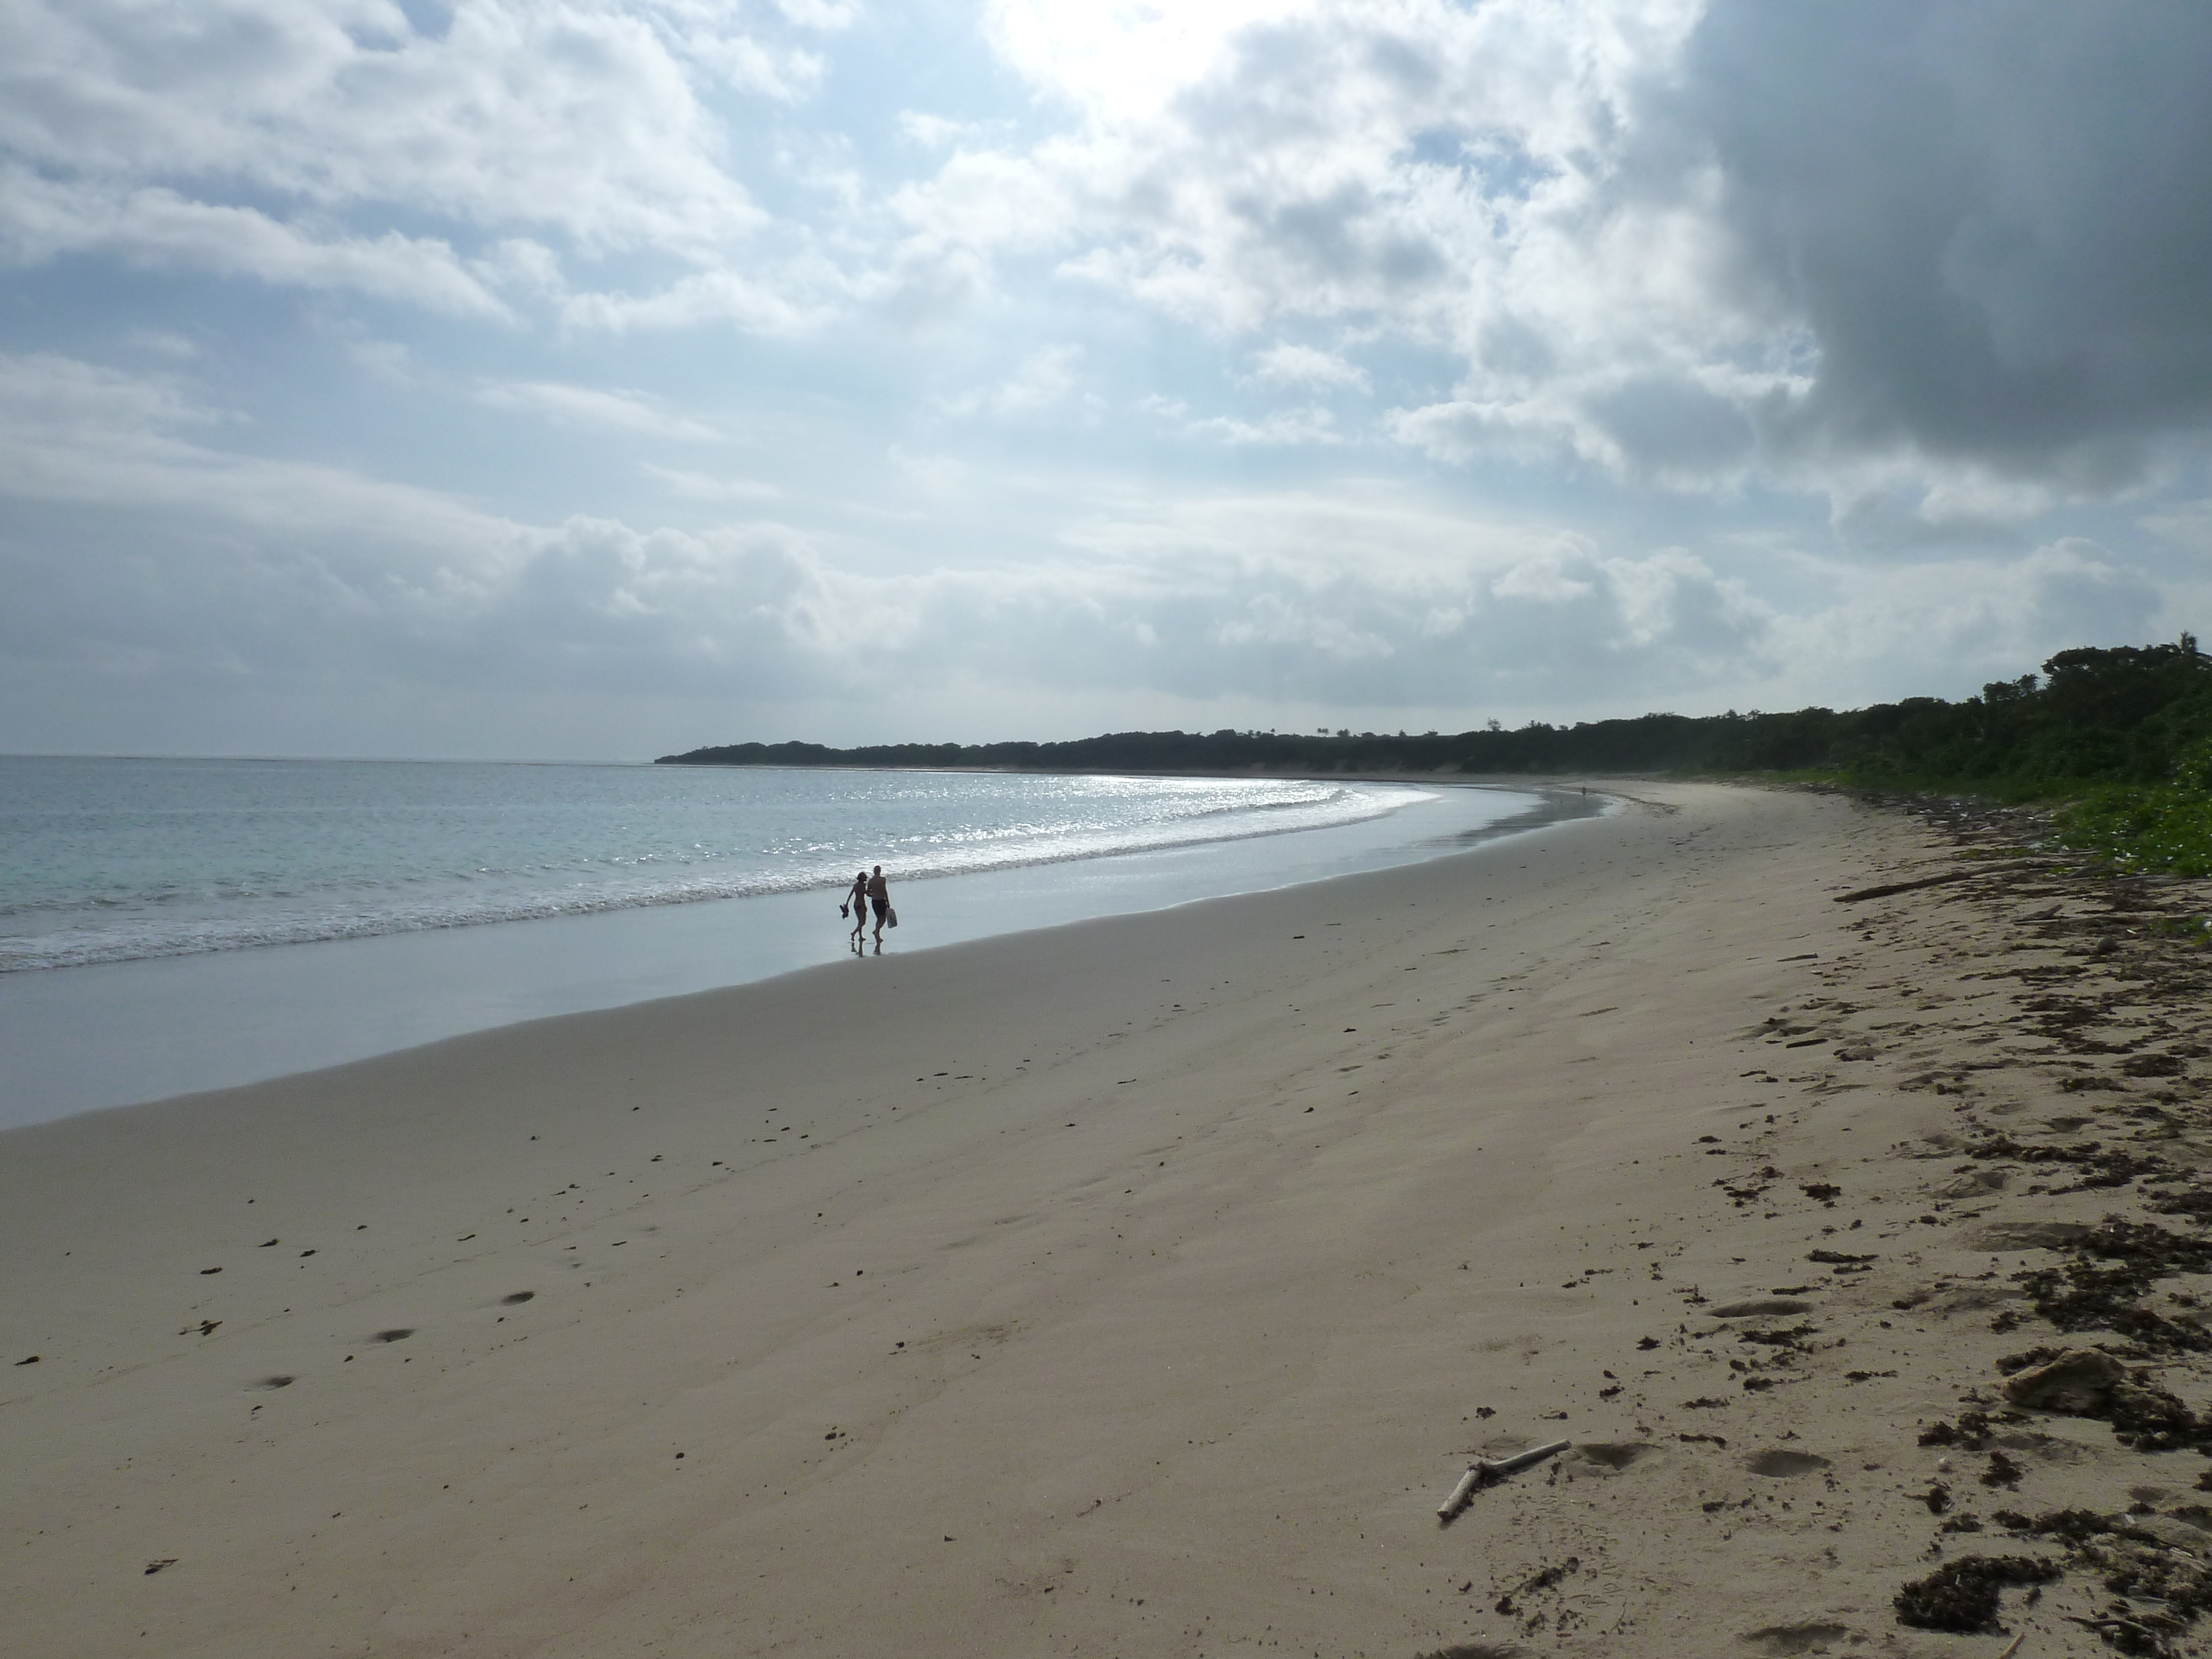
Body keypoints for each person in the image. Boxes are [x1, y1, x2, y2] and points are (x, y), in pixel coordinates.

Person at [866, 864, 891, 946]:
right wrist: (888, 902)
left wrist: (872, 895)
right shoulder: (883, 879)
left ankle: (877, 933)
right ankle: (877, 931)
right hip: (882, 900)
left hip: (875, 901)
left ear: (874, 871)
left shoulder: (871, 881)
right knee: (883, 919)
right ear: (880, 871)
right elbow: (885, 891)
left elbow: (868, 892)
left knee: (879, 918)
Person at [844, 870, 868, 944]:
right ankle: (854, 933)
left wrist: (847, 903)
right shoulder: (863, 885)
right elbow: (866, 893)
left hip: (856, 904)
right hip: (861, 904)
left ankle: (861, 936)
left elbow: (851, 894)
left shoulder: (856, 885)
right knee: (863, 922)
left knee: (860, 921)